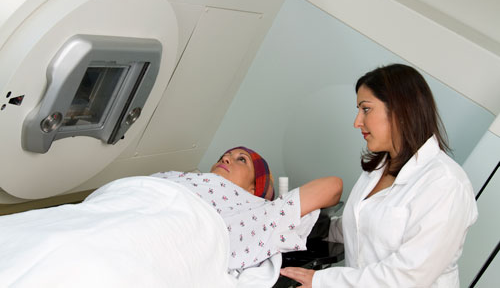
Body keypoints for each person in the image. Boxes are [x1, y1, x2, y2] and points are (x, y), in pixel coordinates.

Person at [280, 64, 478, 287]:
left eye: (366, 109)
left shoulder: (446, 183)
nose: (357, 122)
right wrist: (299, 227)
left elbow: (409, 275)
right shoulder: (377, 170)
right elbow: (358, 228)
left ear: (400, 110)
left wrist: (322, 281)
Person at [152, 146, 343, 270]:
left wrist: (277, 203)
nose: (226, 159)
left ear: (254, 188)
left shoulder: (257, 211)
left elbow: (333, 186)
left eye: (241, 159)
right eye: (224, 156)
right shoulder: (180, 176)